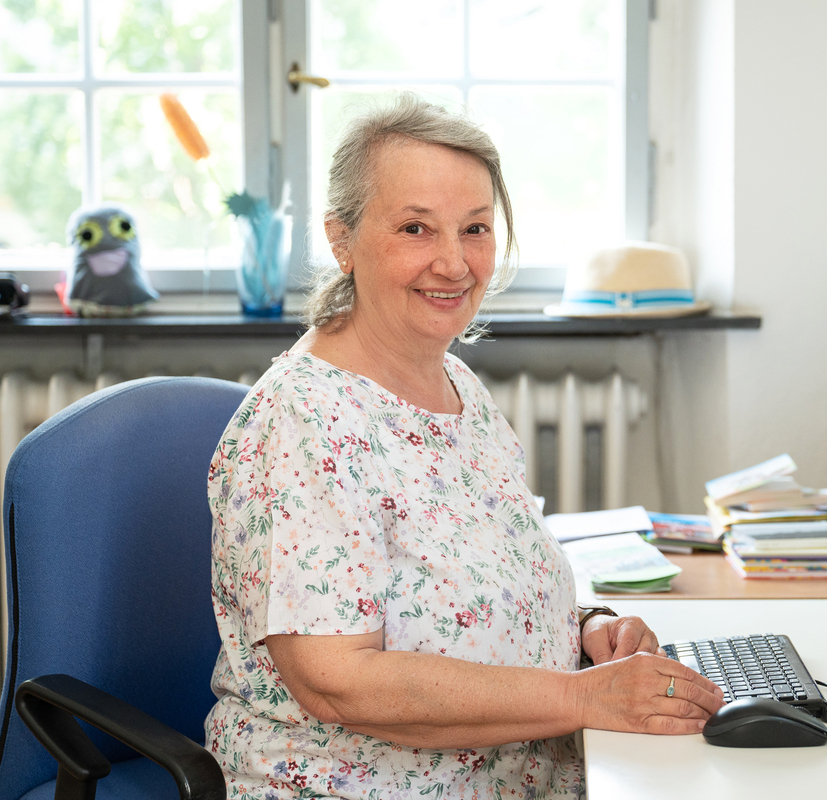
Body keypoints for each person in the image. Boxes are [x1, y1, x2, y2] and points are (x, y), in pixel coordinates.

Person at [205, 93, 723, 800]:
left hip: (522, 768)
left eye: (475, 229)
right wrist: (584, 699)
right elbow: (339, 682)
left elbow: (470, 588)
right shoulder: (302, 422)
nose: (454, 263)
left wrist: (586, 632)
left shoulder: (455, 384)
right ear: (342, 241)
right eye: (416, 228)